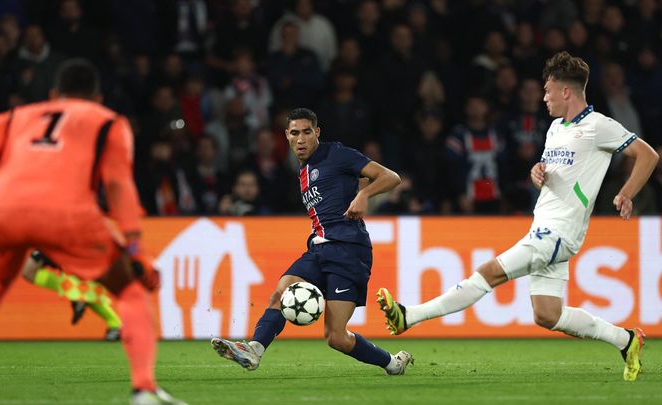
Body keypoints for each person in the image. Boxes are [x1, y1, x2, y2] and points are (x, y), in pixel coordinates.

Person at [377, 51, 659, 382]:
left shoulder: (598, 127)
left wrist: (626, 193)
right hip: (544, 227)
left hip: (559, 232)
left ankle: (409, 316)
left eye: (548, 91)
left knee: (489, 272)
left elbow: (648, 154)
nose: (544, 98)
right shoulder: (555, 128)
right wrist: (538, 171)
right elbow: (554, 169)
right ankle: (626, 340)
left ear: (566, 91)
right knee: (547, 314)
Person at [0, 58, 185, 404]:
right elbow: (117, 184)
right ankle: (143, 390)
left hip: (1, 209)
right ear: (96, 98)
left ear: (53, 95)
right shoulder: (108, 121)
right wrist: (134, 245)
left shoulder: (12, 118)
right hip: (66, 212)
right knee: (130, 290)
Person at [211, 108, 413, 375]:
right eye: (295, 133)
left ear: (317, 133)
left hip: (349, 250)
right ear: (286, 135)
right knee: (282, 291)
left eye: (307, 132)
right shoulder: (303, 171)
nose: (301, 139)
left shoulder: (337, 154)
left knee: (336, 337)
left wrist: (365, 195)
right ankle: (254, 350)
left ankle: (392, 363)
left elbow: (390, 177)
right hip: (318, 248)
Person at [21, 250, 122, 341]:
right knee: (28, 272)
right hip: (48, 239)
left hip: (68, 240)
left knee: (79, 281)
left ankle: (115, 324)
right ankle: (75, 294)